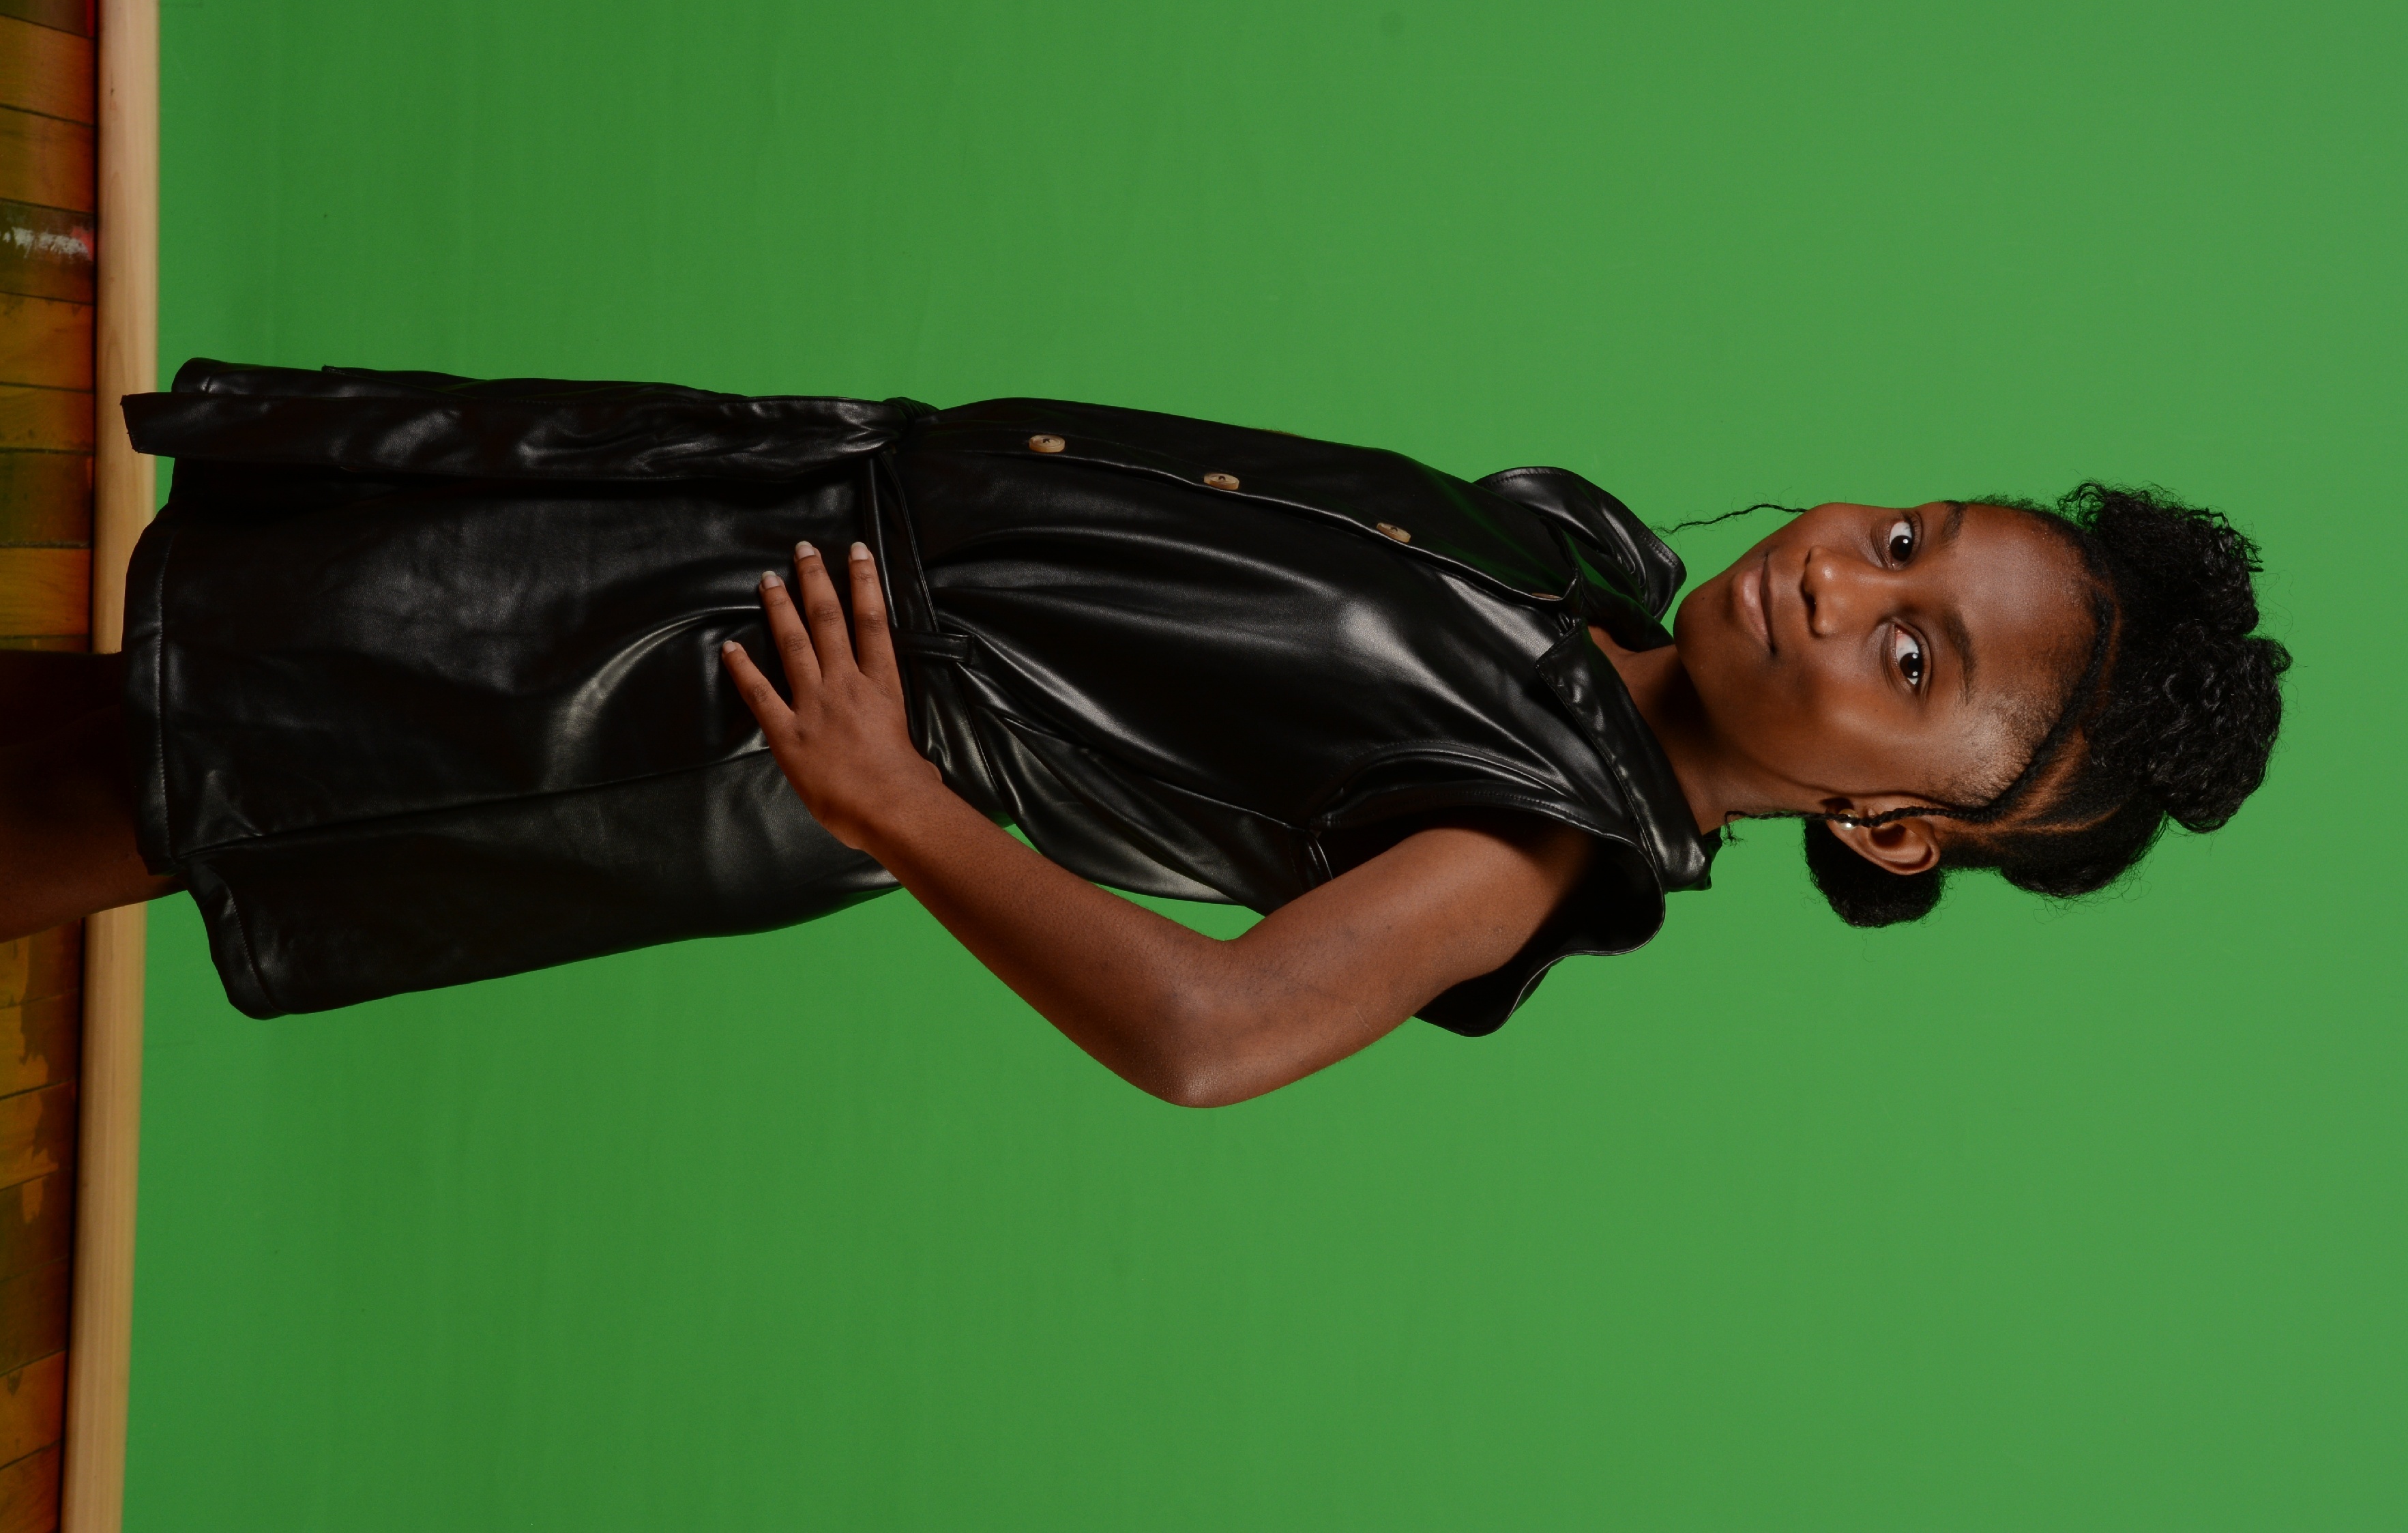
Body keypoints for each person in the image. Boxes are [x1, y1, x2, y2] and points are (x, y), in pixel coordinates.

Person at [0, 361, 2288, 1105]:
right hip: (761, 520)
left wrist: (887, 796)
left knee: (162, 783)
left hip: (736, 704)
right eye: (1900, 538)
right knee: (135, 703)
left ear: (1889, 829)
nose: (1841, 586)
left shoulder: (1528, 848)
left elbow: (1211, 1037)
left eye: (1912, 663)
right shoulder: (1566, 572)